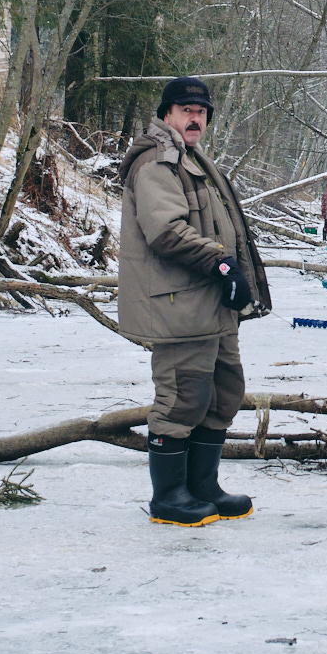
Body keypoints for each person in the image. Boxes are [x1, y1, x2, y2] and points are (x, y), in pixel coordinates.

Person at [118, 76, 272, 526]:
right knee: (182, 397)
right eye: (185, 109)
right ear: (166, 114)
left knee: (224, 393)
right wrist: (222, 265)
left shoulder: (193, 159)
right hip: (178, 303)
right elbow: (166, 230)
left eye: (201, 111)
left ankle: (203, 487)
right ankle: (169, 497)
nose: (195, 117)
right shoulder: (157, 161)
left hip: (212, 304)